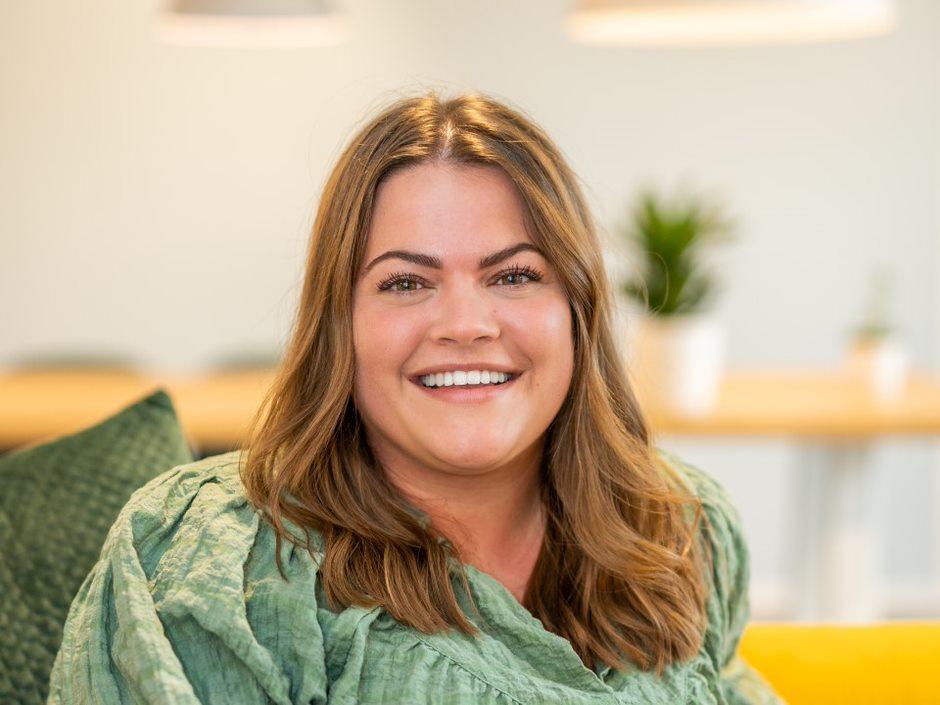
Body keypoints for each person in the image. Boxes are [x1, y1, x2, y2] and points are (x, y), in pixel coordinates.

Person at [47, 91, 785, 704]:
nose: (465, 324)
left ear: (577, 310)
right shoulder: (214, 562)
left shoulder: (681, 529)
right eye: (405, 282)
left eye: (514, 275)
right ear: (340, 323)